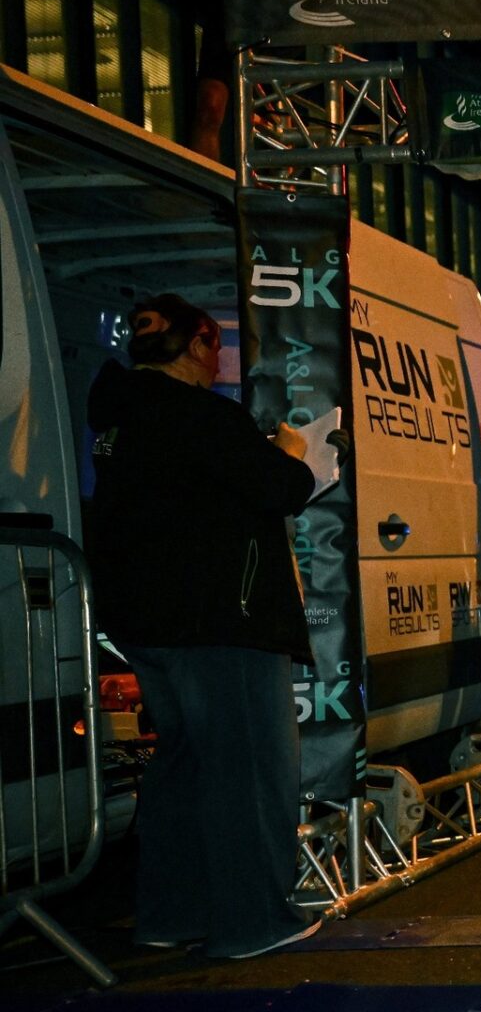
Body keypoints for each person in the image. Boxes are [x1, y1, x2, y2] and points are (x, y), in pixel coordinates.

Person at [87, 295, 322, 958]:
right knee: (248, 768)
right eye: (214, 346)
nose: (218, 362)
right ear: (194, 345)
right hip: (224, 619)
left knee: (182, 765)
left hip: (147, 625)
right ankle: (257, 922)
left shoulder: (117, 420)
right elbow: (281, 488)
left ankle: (171, 915)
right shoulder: (203, 415)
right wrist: (291, 452)